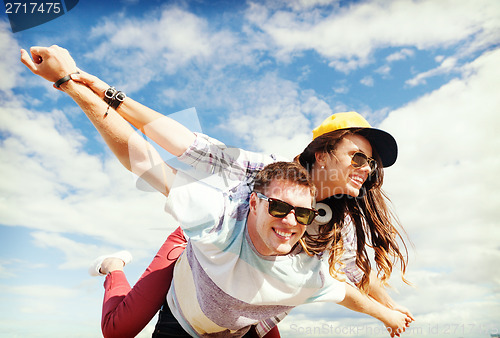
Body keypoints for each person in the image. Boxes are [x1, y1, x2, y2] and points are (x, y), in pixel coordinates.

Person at [20, 45, 413, 337]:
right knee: (120, 330)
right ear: (323, 153)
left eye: (372, 164)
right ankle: (113, 267)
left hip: (244, 308)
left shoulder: (336, 222)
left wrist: (391, 306)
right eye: (359, 157)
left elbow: (349, 274)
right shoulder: (263, 172)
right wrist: (92, 87)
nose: (368, 169)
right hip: (198, 248)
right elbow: (182, 145)